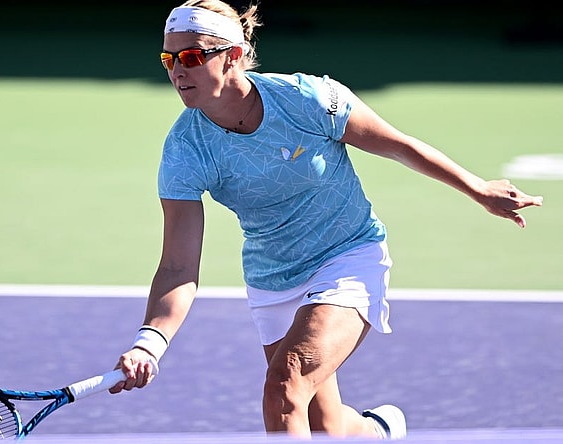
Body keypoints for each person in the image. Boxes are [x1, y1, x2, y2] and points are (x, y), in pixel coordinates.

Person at [109, 0, 543, 440]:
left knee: (284, 387)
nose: (177, 71)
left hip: (347, 257)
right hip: (272, 278)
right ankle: (377, 432)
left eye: (191, 56)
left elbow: (398, 145)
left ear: (234, 55)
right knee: (325, 424)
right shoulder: (185, 148)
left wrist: (478, 189)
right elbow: (178, 267)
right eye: (168, 59)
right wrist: (150, 341)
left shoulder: (307, 99)